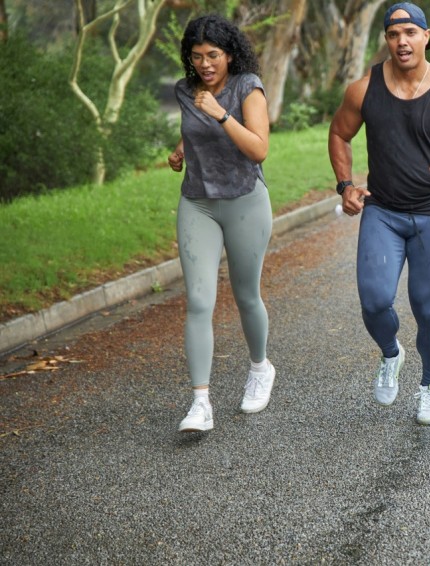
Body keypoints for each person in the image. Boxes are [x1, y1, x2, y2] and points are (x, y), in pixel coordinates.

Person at [328, 2, 430, 425]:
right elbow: (340, 134)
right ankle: (391, 353)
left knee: (427, 306)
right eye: (394, 34)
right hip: (383, 209)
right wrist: (345, 185)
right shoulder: (364, 89)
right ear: (387, 39)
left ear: (426, 36)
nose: (402, 41)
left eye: (410, 33)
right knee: (375, 299)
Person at [167, 14, 276, 432]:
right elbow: (193, 130)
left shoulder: (247, 87)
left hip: (245, 201)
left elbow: (259, 149)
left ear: (229, 54)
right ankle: (200, 402)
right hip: (198, 203)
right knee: (198, 301)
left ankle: (260, 368)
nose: (205, 64)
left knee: (247, 295)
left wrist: (220, 115)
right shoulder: (185, 90)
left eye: (213, 55)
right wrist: (180, 151)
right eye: (197, 57)